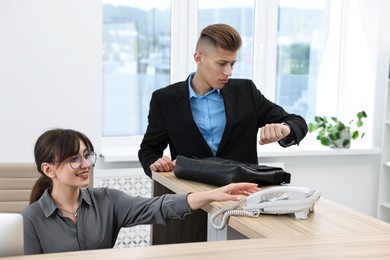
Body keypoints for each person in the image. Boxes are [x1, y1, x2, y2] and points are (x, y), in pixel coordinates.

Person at [21, 128, 260, 255]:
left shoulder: (107, 200)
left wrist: (213, 194)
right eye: (74, 159)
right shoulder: (30, 219)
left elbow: (157, 206)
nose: (85, 165)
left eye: (86, 155)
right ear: (48, 169)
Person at [138, 23, 308, 177]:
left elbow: (297, 122)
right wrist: (155, 163)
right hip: (190, 198)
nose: (229, 72)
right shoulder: (165, 99)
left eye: (232, 64)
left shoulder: (246, 91)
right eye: (222, 63)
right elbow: (149, 149)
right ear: (198, 58)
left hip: (242, 195)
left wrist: (285, 129)